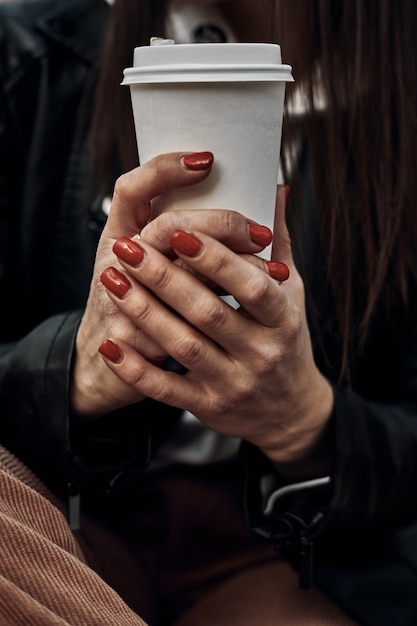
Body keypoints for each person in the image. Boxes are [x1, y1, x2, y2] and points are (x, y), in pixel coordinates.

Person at [0, 0, 416, 624]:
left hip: (291, 556)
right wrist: (74, 373)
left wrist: (307, 425)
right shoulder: (32, 52)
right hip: (71, 514)